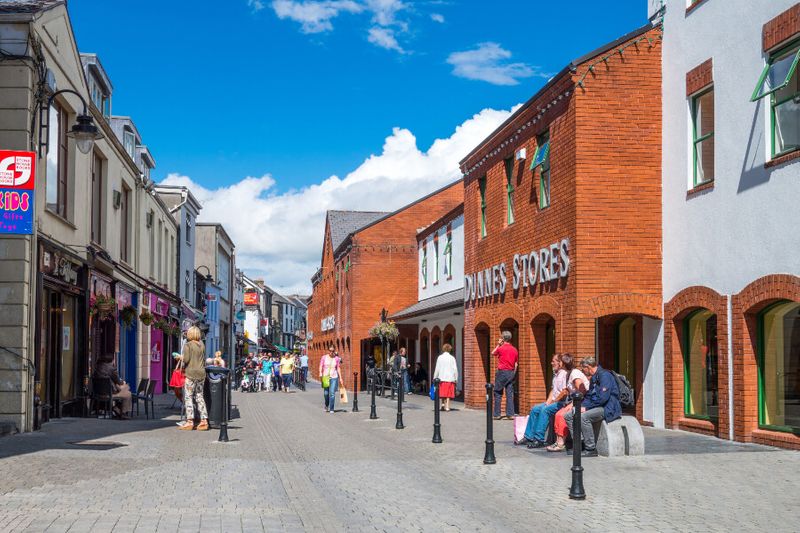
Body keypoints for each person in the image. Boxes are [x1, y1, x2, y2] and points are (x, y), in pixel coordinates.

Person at [562, 356, 621, 457]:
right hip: (596, 405)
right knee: (568, 415)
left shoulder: (605, 376)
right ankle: (579, 444)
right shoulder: (594, 377)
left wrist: (587, 408)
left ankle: (591, 448)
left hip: (607, 407)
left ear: (588, 367)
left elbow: (603, 398)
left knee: (584, 417)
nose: (583, 371)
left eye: (583, 369)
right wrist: (580, 406)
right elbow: (589, 396)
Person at [517, 353, 570, 448]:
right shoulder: (556, 374)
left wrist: (553, 402)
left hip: (562, 402)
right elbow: (553, 390)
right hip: (555, 401)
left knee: (545, 410)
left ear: (560, 363)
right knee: (535, 408)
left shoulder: (564, 374)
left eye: (553, 361)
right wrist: (547, 402)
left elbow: (564, 392)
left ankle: (539, 439)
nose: (551, 363)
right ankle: (528, 437)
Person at [547, 355, 590, 452]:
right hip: (574, 401)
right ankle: (558, 442)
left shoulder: (574, 373)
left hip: (583, 401)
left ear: (563, 363)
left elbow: (582, 390)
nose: (559, 363)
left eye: (560, 361)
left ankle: (561, 443)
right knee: (558, 414)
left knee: (562, 415)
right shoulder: (568, 373)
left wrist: (572, 404)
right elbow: (569, 389)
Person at [176, 326, 209, 430]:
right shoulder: (202, 345)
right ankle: (204, 421)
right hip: (201, 374)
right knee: (200, 397)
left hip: (190, 374)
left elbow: (186, 360)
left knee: (188, 397)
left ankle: (190, 421)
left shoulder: (188, 345)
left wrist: (179, 357)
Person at [92, 354, 132, 419]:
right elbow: (118, 381)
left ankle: (117, 409)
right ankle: (123, 413)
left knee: (122, 389)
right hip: (109, 394)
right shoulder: (111, 369)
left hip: (97, 394)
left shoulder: (97, 368)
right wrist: (123, 382)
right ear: (112, 361)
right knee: (128, 393)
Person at [492, 330, 519, 420]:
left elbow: (493, 353)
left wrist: (499, 344)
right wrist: (513, 373)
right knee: (509, 393)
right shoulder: (514, 349)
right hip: (511, 372)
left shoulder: (501, 348)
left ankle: (497, 414)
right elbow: (516, 364)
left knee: (498, 392)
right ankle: (510, 414)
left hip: (502, 372)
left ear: (503, 338)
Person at [433, 343, 458, 411]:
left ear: (443, 349)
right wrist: (456, 378)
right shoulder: (452, 358)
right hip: (450, 378)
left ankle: (442, 405)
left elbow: (437, 368)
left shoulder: (440, 357)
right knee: (448, 393)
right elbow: (455, 369)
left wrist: (435, 377)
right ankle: (447, 406)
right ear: (450, 349)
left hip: (442, 378)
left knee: (442, 392)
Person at [319, 347, 341, 413]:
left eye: (333, 351)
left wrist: (341, 377)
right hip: (325, 377)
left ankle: (331, 408)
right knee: (326, 393)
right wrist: (320, 372)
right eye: (330, 351)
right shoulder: (324, 357)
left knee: (332, 393)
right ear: (328, 351)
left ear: (334, 351)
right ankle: (326, 405)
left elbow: (338, 368)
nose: (331, 352)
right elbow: (321, 365)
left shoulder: (336, 358)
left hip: (334, 377)